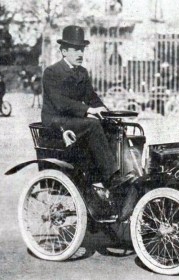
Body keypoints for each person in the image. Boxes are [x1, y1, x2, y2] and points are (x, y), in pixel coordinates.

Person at [41, 25, 135, 205]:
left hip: (75, 120)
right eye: (75, 49)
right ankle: (112, 177)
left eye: (82, 49)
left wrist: (105, 111)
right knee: (92, 125)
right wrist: (88, 111)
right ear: (63, 51)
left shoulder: (82, 72)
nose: (80, 54)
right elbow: (60, 102)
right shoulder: (52, 72)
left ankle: (125, 171)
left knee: (113, 126)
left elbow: (91, 97)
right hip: (56, 121)